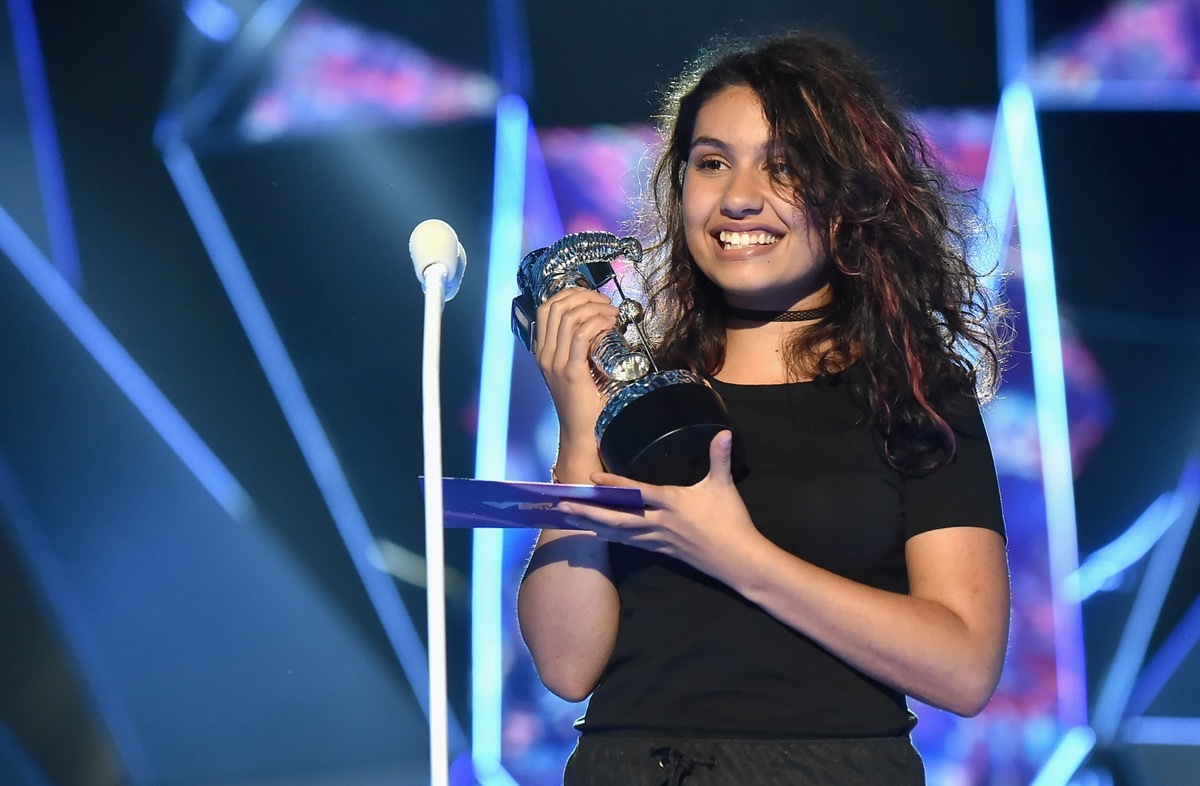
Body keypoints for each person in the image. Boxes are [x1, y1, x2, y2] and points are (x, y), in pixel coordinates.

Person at [516, 30, 1011, 785]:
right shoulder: (642, 393)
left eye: (782, 167)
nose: (738, 197)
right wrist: (583, 425)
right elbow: (565, 664)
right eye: (712, 163)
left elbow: (965, 666)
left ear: (848, 198)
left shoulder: (914, 392)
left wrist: (737, 555)